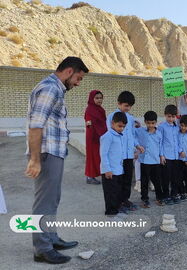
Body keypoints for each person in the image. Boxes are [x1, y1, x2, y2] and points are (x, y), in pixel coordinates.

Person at [25, 57, 88, 264]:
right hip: (46, 153)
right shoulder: (50, 88)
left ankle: (50, 238)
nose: (78, 83)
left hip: (54, 152)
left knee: (52, 200)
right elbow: (36, 125)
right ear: (69, 71)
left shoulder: (55, 88)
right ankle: (42, 249)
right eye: (78, 78)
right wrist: (35, 159)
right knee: (44, 202)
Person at [106, 91, 144, 212]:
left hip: (128, 154)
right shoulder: (112, 117)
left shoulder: (131, 118)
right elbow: (111, 134)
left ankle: (125, 200)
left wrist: (137, 146)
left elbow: (132, 135)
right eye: (126, 105)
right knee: (118, 180)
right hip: (118, 155)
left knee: (127, 178)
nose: (128, 108)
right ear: (119, 103)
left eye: (130, 106)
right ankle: (117, 203)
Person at [100, 111, 127, 217]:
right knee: (110, 193)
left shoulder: (119, 135)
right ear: (112, 123)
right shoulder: (107, 136)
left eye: (123, 127)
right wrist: (107, 169)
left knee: (117, 192)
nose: (121, 128)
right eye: (119, 126)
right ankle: (110, 213)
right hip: (109, 171)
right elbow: (103, 154)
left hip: (118, 170)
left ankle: (116, 210)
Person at [135, 111, 163, 208]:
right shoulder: (140, 131)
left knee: (157, 181)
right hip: (144, 161)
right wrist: (137, 147)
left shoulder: (159, 134)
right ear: (145, 122)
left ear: (156, 122)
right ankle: (144, 199)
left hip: (155, 161)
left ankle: (159, 197)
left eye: (153, 123)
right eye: (148, 123)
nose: (150, 125)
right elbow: (132, 134)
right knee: (144, 181)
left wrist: (162, 156)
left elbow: (161, 146)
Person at [159, 105, 182, 205]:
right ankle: (166, 195)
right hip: (166, 156)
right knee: (166, 177)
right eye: (169, 116)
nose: (171, 119)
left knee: (175, 177)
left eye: (173, 117)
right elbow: (160, 141)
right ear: (165, 115)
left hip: (176, 156)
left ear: (176, 116)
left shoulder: (177, 127)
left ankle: (174, 194)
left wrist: (180, 150)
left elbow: (179, 140)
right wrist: (161, 155)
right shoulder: (161, 127)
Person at [84, 90, 107, 185]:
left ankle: (96, 174)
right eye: (97, 98)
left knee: (98, 156)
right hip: (93, 137)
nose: (99, 100)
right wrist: (97, 133)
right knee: (92, 156)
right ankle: (90, 176)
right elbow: (89, 124)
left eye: (101, 98)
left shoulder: (100, 109)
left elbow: (103, 123)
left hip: (100, 136)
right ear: (92, 99)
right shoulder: (90, 109)